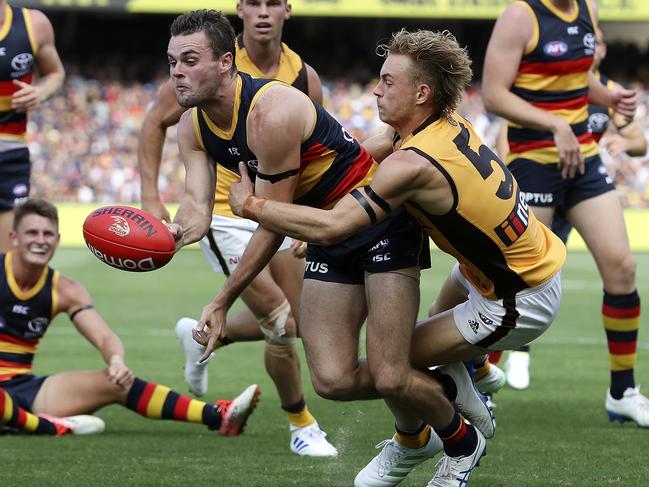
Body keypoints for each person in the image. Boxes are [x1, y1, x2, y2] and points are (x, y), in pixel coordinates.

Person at [226, 28, 567, 486]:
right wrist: (320, 202)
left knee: (394, 366)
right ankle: (469, 377)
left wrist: (252, 205)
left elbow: (333, 227)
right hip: (503, 266)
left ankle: (460, 440)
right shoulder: (441, 125)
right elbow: (367, 153)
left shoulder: (414, 163)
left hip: (517, 296)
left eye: (388, 81)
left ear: (421, 93)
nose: (376, 89)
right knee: (414, 338)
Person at [167, 11, 495, 487]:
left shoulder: (269, 113)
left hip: (380, 226)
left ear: (224, 62)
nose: (176, 71)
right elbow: (197, 210)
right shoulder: (191, 128)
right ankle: (444, 385)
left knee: (390, 374)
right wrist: (171, 236)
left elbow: (270, 223)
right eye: (172, 61)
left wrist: (221, 301)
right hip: (322, 231)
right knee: (333, 380)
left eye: (189, 60)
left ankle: (459, 440)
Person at [137, 0, 332, 457]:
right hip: (226, 215)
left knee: (301, 322)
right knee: (279, 325)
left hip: (279, 208)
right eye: (254, 3)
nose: (263, 12)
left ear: (287, 10)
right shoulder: (200, 67)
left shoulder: (303, 76)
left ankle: (205, 334)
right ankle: (300, 424)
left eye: (272, 3)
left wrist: (305, 219)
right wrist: (153, 201)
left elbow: (314, 153)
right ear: (240, 10)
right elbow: (155, 124)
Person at [482, 0, 647, 426]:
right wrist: (555, 124)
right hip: (534, 161)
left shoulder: (588, 9)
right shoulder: (521, 16)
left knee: (622, 269)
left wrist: (608, 95)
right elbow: (494, 94)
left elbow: (578, 80)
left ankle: (623, 392)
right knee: (519, 280)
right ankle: (476, 377)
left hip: (584, 161)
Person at [0, 199, 260, 437]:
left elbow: (103, 336)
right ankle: (44, 426)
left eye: (47, 234)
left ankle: (218, 416)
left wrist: (116, 361)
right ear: (13, 238)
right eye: (32, 233)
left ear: (57, 239)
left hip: (22, 388)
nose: (40, 240)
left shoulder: (64, 289)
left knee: (117, 382)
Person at [0, 1, 64, 253]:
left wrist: (40, 91)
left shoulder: (33, 24)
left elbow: (55, 73)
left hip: (10, 151)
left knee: (7, 260)